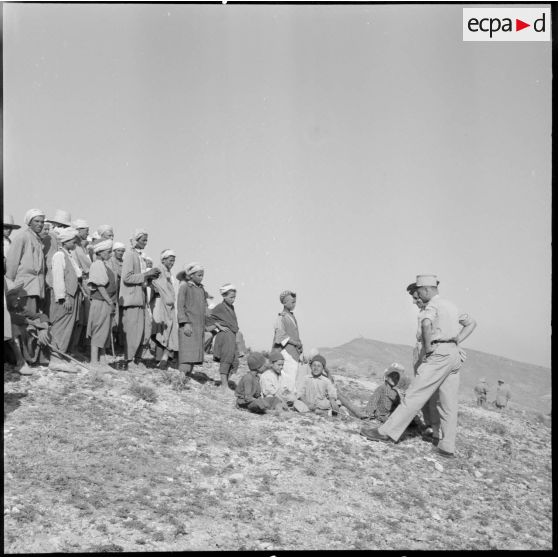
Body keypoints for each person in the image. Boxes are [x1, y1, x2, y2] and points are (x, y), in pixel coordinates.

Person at [362, 275, 477, 459]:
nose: (418, 297)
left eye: (419, 292)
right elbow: (472, 323)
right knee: (447, 402)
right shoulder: (451, 306)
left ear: (425, 290)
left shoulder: (432, 305)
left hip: (439, 354)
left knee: (415, 395)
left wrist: (430, 346)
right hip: (454, 354)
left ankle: (386, 433)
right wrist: (457, 340)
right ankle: (446, 445)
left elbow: (425, 323)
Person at [5, 209, 49, 364]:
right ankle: (24, 358)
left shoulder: (37, 240)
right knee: (24, 323)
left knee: (33, 321)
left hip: (35, 287)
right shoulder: (22, 237)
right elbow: (12, 263)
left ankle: (31, 356)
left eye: (42, 221)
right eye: (36, 221)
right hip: (24, 286)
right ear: (29, 222)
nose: (40, 224)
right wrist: (11, 289)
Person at [118, 229, 160, 370]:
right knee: (132, 331)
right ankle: (129, 360)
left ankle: (137, 358)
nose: (145, 243)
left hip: (141, 298)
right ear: (136, 240)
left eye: (147, 240)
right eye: (143, 240)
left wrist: (149, 277)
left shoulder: (140, 256)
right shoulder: (130, 255)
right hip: (132, 298)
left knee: (143, 330)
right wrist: (146, 274)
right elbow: (127, 277)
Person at [48, 227, 83, 372]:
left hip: (72, 295)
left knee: (68, 326)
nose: (75, 243)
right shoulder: (59, 255)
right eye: (73, 241)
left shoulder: (68, 255)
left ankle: (61, 356)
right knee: (60, 325)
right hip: (64, 298)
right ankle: (55, 358)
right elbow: (58, 278)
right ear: (67, 241)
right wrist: (64, 297)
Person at [4, 280, 51, 374]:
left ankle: (40, 358)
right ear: (5, 297)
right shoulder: (6, 312)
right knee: (13, 327)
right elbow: (13, 318)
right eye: (14, 295)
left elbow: (40, 316)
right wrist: (32, 323)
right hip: (7, 353)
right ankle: (20, 363)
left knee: (42, 325)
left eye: (18, 294)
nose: (18, 298)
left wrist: (44, 327)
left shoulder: (19, 308)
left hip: (23, 349)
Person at [87, 240, 118, 366]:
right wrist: (110, 301)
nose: (110, 254)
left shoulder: (104, 265)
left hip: (105, 302)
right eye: (108, 252)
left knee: (105, 331)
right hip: (101, 301)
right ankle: (94, 362)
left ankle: (103, 361)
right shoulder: (97, 264)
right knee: (98, 330)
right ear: (100, 252)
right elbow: (100, 286)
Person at [177, 262, 208, 379]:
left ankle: (188, 375)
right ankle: (181, 377)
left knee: (194, 351)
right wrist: (185, 323)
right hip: (188, 324)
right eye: (199, 275)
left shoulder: (201, 289)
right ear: (191, 275)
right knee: (186, 350)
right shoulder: (185, 286)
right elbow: (180, 306)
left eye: (202, 275)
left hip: (198, 325)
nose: (201, 277)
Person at [150, 249, 179, 370]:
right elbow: (154, 284)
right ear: (163, 260)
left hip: (169, 305)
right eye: (170, 260)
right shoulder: (158, 270)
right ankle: (160, 358)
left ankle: (164, 358)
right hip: (158, 302)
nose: (172, 263)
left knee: (169, 330)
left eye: (173, 261)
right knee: (159, 330)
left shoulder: (169, 273)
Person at [209, 283, 240, 392]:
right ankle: (224, 386)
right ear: (224, 296)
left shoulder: (231, 307)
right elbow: (209, 317)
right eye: (231, 297)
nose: (233, 299)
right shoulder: (219, 307)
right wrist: (219, 326)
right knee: (226, 359)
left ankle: (224, 382)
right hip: (225, 336)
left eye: (234, 297)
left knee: (234, 361)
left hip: (232, 336)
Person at [272, 290, 303, 395]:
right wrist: (295, 343)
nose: (294, 304)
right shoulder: (281, 317)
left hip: (294, 352)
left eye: (295, 302)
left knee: (293, 376)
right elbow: (280, 336)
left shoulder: (292, 316)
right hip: (286, 352)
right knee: (288, 377)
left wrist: (299, 345)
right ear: (285, 303)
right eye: (292, 302)